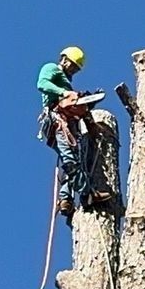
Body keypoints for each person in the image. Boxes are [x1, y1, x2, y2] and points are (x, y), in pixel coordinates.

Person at [38, 45, 111, 217]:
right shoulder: (52, 69)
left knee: (75, 159)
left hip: (68, 124)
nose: (73, 70)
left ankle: (66, 199)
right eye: (72, 66)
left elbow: (75, 106)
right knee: (70, 160)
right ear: (64, 60)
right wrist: (64, 93)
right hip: (57, 122)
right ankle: (87, 194)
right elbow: (42, 83)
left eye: (76, 69)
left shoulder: (67, 84)